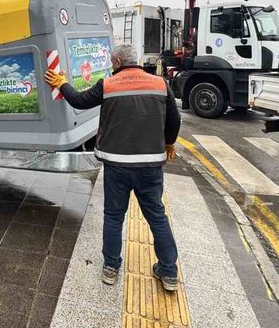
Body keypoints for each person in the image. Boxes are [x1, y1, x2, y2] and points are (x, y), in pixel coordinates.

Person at [45, 43, 181, 291]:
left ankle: (110, 267)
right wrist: (169, 142)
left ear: (117, 62)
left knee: (114, 216)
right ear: (136, 61)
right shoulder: (160, 84)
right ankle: (169, 272)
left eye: (112, 62)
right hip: (150, 166)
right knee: (157, 216)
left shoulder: (107, 85)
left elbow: (79, 101)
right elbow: (174, 119)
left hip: (117, 166)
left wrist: (61, 83)